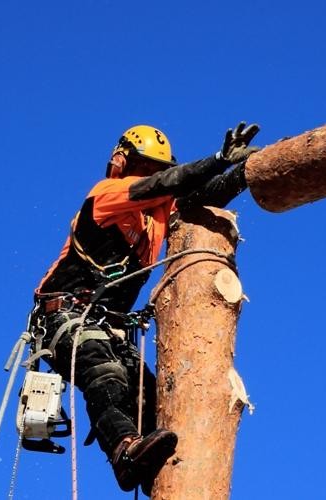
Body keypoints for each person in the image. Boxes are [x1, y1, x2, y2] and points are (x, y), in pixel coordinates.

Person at [30, 123, 259, 494]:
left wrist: (246, 171)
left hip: (108, 328)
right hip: (66, 314)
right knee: (104, 372)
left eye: (157, 170)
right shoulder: (107, 194)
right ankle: (124, 451)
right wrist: (217, 159)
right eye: (145, 169)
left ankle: (166, 477)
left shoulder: (159, 214)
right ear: (122, 164)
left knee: (152, 402)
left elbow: (199, 194)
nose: (153, 177)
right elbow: (164, 185)